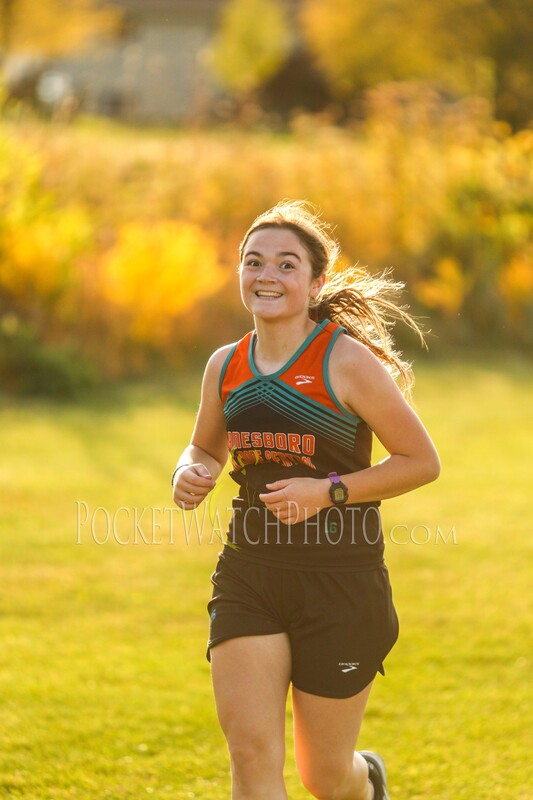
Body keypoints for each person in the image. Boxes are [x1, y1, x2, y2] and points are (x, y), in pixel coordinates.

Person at [171, 200, 440, 800]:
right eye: (253, 261)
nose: (266, 274)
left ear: (316, 281)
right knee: (251, 757)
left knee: (325, 778)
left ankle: (365, 782)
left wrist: (328, 492)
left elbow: (421, 462)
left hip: (340, 582)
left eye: (286, 264)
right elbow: (203, 450)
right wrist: (189, 472)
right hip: (251, 573)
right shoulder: (226, 365)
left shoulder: (346, 361)